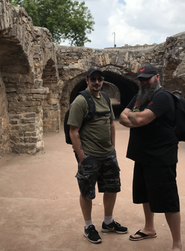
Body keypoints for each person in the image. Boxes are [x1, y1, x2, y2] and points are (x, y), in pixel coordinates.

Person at [119, 63, 182, 251]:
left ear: (157, 77)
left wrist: (133, 117)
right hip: (143, 154)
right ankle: (149, 228)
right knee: (145, 193)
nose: (144, 82)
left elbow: (137, 119)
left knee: (168, 199)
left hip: (161, 156)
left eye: (148, 78)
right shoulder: (140, 97)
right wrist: (134, 117)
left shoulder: (162, 97)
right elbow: (121, 117)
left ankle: (177, 244)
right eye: (141, 79)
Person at [67, 66, 128, 244]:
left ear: (103, 81)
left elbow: (111, 124)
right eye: (92, 79)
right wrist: (82, 157)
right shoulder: (80, 101)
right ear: (87, 80)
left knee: (112, 188)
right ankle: (88, 226)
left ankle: (108, 222)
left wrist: (113, 149)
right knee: (87, 192)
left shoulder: (106, 98)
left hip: (108, 154)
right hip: (90, 155)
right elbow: (73, 131)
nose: (96, 82)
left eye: (99, 79)